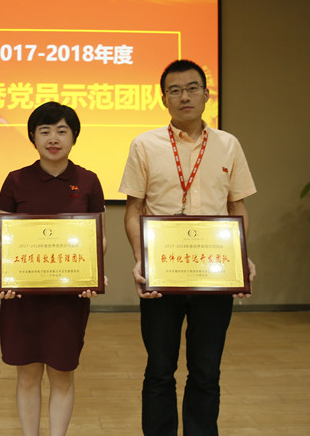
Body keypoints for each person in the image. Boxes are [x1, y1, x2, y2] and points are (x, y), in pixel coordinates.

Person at [119, 59, 256, 436]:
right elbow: (133, 209)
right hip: (162, 273)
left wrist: (241, 257)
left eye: (192, 88)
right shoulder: (145, 145)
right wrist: (140, 260)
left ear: (207, 94)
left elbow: (237, 206)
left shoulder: (228, 145)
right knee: (159, 370)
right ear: (163, 98)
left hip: (214, 273)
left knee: (207, 371)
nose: (184, 96)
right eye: (175, 90)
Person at [0, 102, 106, 436]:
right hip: (22, 297)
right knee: (27, 376)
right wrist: (2, 273)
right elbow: (1, 237)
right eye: (44, 131)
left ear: (74, 137)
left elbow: (99, 237)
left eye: (61, 131)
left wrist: (93, 273)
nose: (53, 138)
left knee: (62, 375)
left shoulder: (88, 181)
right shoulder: (15, 180)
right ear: (33, 137)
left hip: (68, 298)